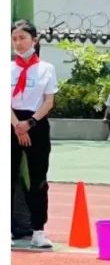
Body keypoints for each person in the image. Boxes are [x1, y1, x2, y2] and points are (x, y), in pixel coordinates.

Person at [10, 20, 58, 250]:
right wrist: (16, 125)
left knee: (38, 178)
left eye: (23, 38)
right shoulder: (7, 67)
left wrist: (29, 123)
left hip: (36, 123)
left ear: (34, 39)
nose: (18, 43)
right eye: (15, 39)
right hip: (11, 121)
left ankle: (38, 230)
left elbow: (49, 101)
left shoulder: (46, 68)